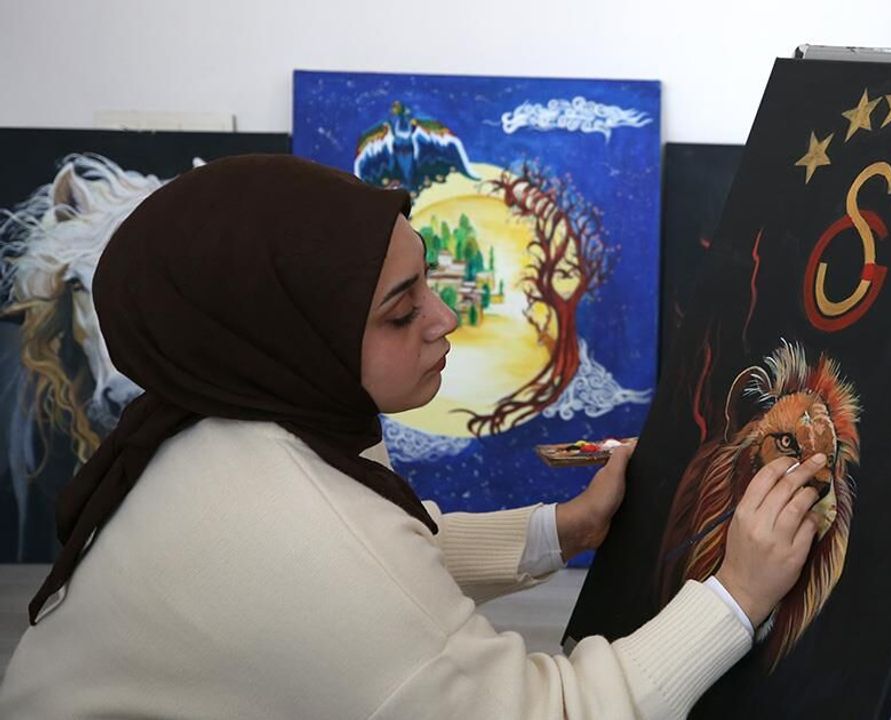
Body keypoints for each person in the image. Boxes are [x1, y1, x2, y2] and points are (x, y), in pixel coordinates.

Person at [0, 155, 826, 719]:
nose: (443, 320)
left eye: (426, 279)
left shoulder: (217, 425)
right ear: (297, 335)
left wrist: (565, 528)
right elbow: (554, 712)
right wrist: (737, 595)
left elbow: (388, 551)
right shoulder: (297, 533)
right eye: (400, 312)